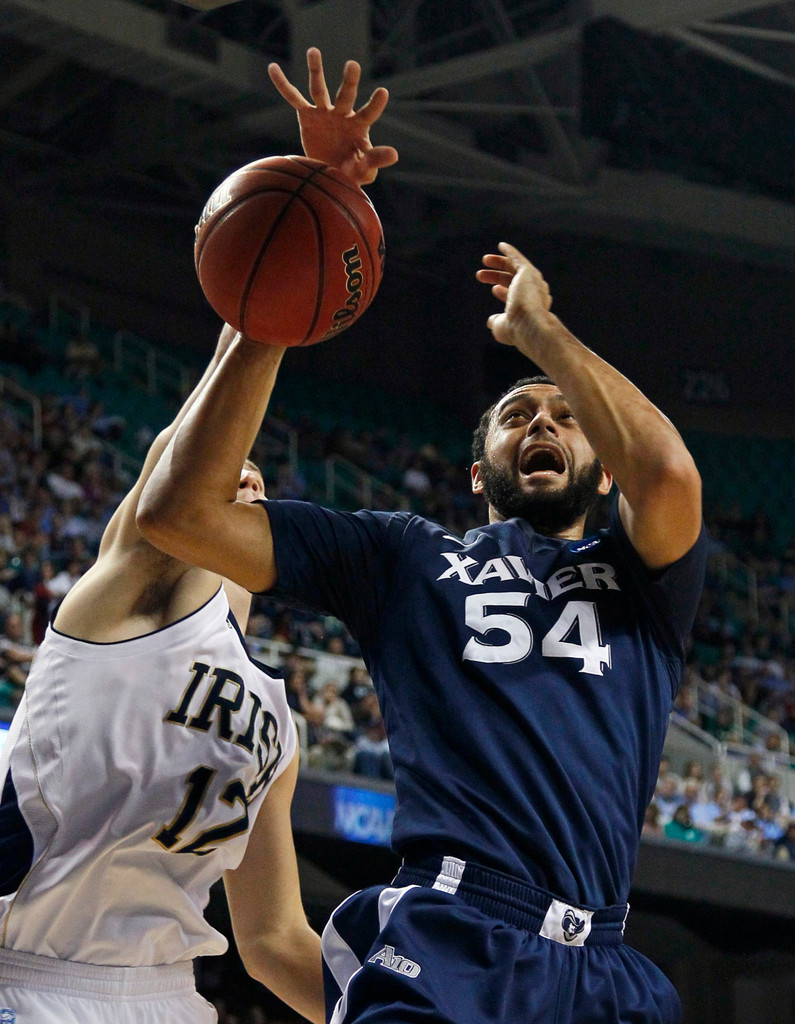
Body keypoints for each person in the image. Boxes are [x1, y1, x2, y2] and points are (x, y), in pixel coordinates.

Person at [137, 47, 706, 1024]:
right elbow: (180, 512)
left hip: (606, 971)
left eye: (566, 415)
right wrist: (273, 302)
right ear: (475, 464)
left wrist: (545, 340)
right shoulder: (404, 555)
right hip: (450, 940)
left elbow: (667, 475)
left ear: (600, 467)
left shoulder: (642, 578)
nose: (542, 421)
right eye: (518, 414)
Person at [0, 323, 324, 1024]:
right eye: (226, 466)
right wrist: (259, 326)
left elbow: (271, 939)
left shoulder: (278, 721)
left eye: (255, 481)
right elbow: (178, 475)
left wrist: (395, 1008)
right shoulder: (114, 606)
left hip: (170, 996)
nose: (239, 474)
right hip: (41, 983)